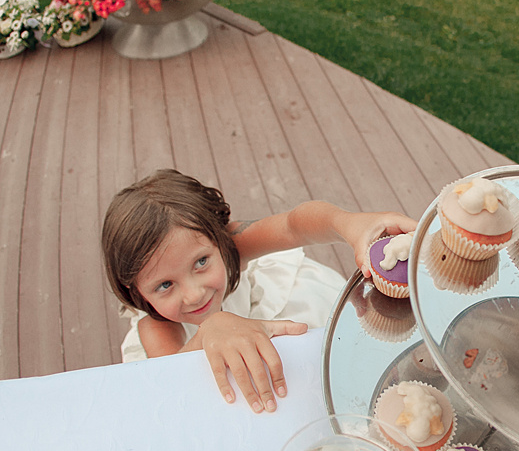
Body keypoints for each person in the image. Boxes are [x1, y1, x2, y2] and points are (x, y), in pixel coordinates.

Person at [102, 169, 416, 414]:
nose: (194, 294)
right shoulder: (156, 326)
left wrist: (348, 223)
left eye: (201, 262)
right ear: (137, 291)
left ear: (218, 239)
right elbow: (174, 383)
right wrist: (211, 328)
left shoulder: (230, 246)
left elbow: (294, 225)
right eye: (165, 285)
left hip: (282, 322)